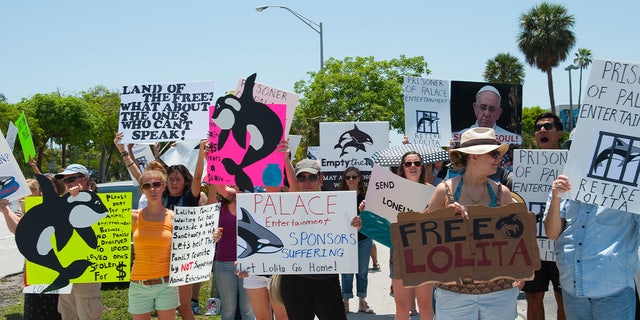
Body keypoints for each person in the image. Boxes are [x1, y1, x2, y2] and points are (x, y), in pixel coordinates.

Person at [426, 127, 518, 319]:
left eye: (498, 153)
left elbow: (516, 239)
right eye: (493, 153)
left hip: (499, 292)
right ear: (473, 156)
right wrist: (445, 218)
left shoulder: (503, 193)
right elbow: (425, 238)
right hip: (454, 292)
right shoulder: (444, 191)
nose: (498, 158)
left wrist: (521, 272)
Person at [115, 132, 207, 318]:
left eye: (177, 179)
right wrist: (123, 152)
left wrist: (202, 153)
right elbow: (140, 176)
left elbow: (197, 179)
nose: (173, 182)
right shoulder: (158, 195)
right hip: (152, 269)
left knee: (185, 307)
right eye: (170, 178)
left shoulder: (189, 198)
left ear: (184, 182)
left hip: (181, 261)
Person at [544, 175, 640, 319]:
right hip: (573, 289)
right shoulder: (567, 181)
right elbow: (551, 233)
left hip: (613, 292)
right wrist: (556, 198)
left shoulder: (630, 185)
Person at [278, 159, 349, 320]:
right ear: (295, 181)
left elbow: (348, 236)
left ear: (321, 179)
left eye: (312, 177)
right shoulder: (283, 207)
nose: (307, 182)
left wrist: (355, 225)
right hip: (294, 280)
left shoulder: (336, 205)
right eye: (301, 178)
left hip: (326, 278)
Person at [522, 112, 566, 320]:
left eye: (548, 127)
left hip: (562, 243)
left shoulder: (571, 165)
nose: (542, 130)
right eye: (538, 128)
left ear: (559, 133)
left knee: (563, 297)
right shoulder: (522, 167)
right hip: (534, 246)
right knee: (533, 297)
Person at [1, 176, 63, 320]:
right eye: (42, 188)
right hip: (36, 268)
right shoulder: (33, 208)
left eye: (50, 187)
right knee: (35, 310)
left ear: (58, 190)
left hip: (59, 268)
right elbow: (18, 230)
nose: (45, 191)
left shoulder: (64, 206)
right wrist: (5, 210)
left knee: (60, 311)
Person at [127, 161, 179, 319]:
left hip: (167, 285)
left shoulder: (174, 218)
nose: (152, 189)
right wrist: (76, 196)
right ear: (142, 189)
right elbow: (97, 219)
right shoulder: (133, 217)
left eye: (156, 184)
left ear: (164, 186)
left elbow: (193, 242)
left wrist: (212, 236)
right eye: (147, 186)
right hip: (138, 285)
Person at [54, 164, 104, 320]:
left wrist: (78, 200)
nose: (68, 183)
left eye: (71, 179)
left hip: (87, 275)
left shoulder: (99, 202)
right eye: (65, 180)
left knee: (88, 314)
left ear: (85, 179)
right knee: (67, 315)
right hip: (65, 274)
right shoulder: (62, 203)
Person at [212, 184, 255, 320]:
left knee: (248, 310)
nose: (236, 188)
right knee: (228, 310)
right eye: (232, 185)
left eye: (240, 185)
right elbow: (208, 228)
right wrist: (214, 235)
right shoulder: (218, 207)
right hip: (223, 264)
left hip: (248, 263)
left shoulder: (253, 206)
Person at [339, 167, 375, 314]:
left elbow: (373, 220)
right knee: (346, 273)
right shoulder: (339, 197)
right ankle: (345, 302)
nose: (351, 180)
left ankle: (362, 302)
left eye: (354, 177)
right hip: (345, 240)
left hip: (364, 239)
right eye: (348, 177)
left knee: (362, 272)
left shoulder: (368, 198)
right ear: (344, 180)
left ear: (360, 178)